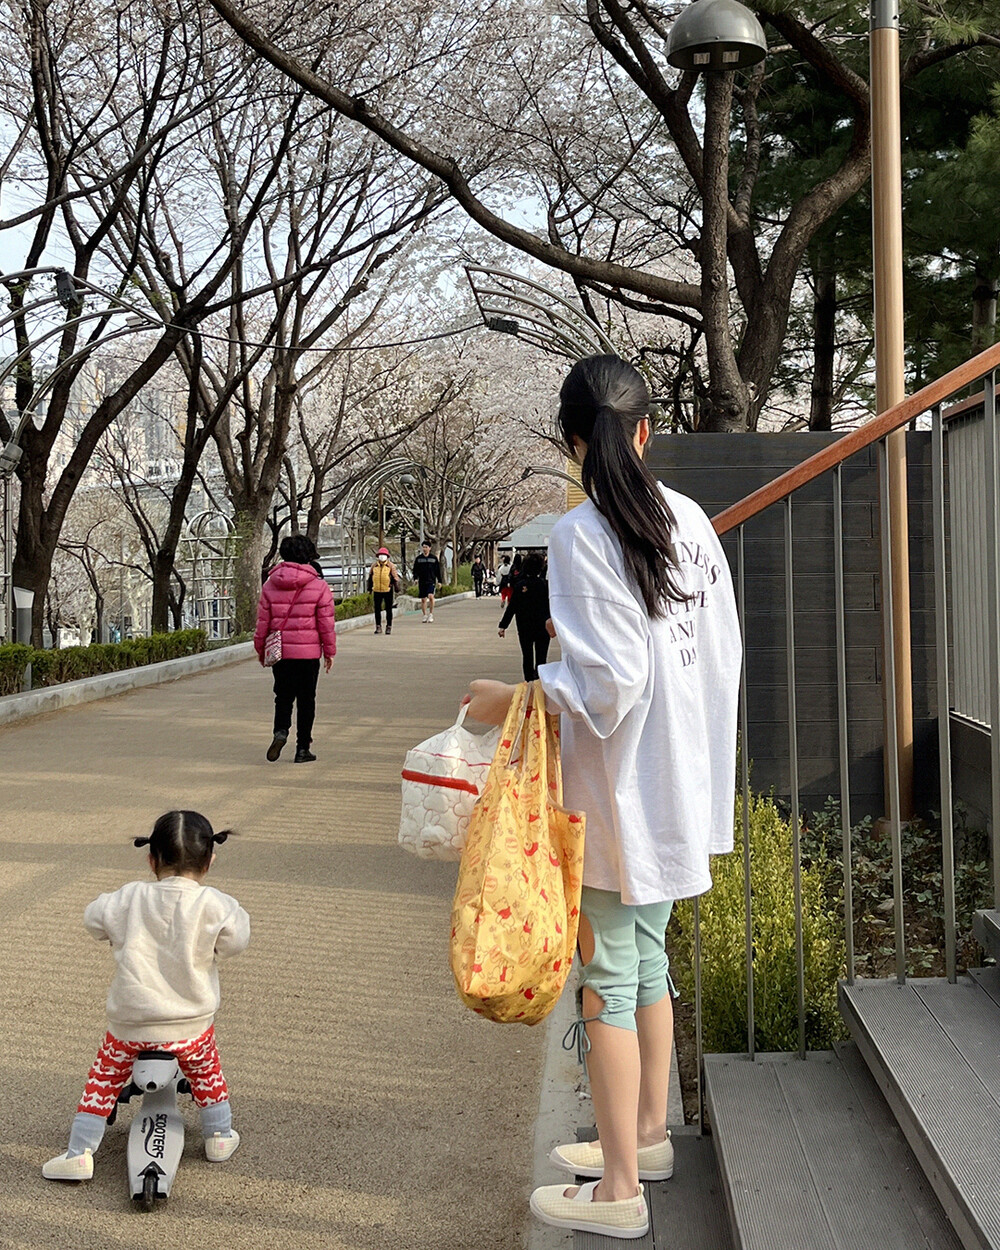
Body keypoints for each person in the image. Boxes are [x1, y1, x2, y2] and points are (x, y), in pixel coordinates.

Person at [463, 355, 741, 1240]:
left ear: (571, 440)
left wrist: (516, 696)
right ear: (647, 430)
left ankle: (619, 1188)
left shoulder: (585, 532)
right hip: (677, 781)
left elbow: (613, 682)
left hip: (619, 794)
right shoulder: (689, 519)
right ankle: (646, 1138)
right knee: (645, 961)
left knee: (608, 981)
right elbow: (719, 654)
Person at [42, 810, 251, 1182]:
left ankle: (79, 1153)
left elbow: (93, 919)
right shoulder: (216, 904)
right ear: (210, 860)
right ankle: (219, 1135)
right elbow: (236, 941)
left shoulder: (129, 897)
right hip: (190, 1026)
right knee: (207, 1072)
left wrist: (120, 932)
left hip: (130, 1025)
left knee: (103, 1079)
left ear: (151, 859)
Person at [254, 533, 336, 763]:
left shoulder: (270, 585)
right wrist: (329, 652)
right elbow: (326, 624)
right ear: (308, 555)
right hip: (308, 654)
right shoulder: (319, 586)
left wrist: (261, 649)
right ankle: (302, 749)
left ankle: (280, 732)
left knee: (283, 696)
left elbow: (262, 623)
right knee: (306, 700)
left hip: (281, 653)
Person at [498, 551, 551, 680]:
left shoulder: (520, 586)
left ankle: (528, 682)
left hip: (524, 626)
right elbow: (552, 606)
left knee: (527, 656)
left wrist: (503, 625)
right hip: (542, 627)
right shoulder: (545, 586)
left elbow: (512, 607)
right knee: (541, 657)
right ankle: (539, 682)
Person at [367, 546, 402, 635]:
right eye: (380, 555)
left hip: (387, 590)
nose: (382, 557)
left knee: (388, 609)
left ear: (387, 556)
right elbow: (370, 577)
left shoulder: (390, 566)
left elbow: (395, 577)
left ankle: (388, 626)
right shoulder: (374, 566)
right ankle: (378, 626)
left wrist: (394, 586)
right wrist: (369, 589)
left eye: (384, 555)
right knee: (377, 609)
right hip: (377, 590)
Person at [412, 540, 442, 623]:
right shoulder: (419, 559)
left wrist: (439, 581)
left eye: (426, 547)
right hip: (422, 581)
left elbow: (438, 571)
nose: (424, 549)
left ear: (430, 548)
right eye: (423, 547)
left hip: (431, 581)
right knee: (423, 599)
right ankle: (425, 615)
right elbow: (415, 570)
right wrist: (415, 578)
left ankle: (431, 614)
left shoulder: (433, 559)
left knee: (431, 596)